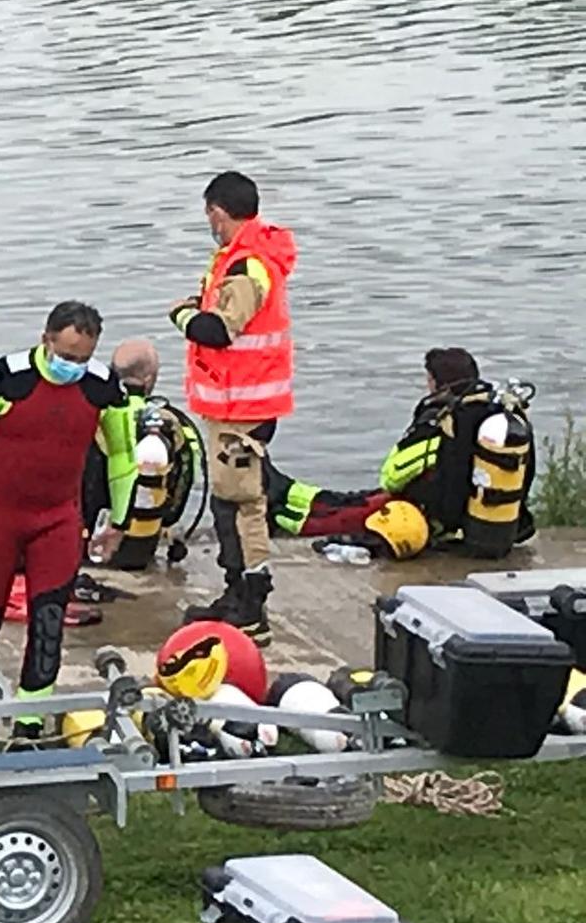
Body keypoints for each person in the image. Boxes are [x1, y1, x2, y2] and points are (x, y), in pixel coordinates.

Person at [0, 301, 136, 730]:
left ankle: (28, 726)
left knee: (48, 625)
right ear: (46, 340)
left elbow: (123, 457)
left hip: (57, 520)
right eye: (66, 356)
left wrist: (119, 522)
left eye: (83, 358)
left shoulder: (102, 387)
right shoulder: (4, 378)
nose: (73, 367)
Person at [171, 170, 298, 646]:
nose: (210, 223)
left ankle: (250, 607)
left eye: (210, 215)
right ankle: (235, 595)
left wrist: (182, 315)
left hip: (244, 406)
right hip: (238, 403)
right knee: (230, 502)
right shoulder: (244, 258)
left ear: (218, 212)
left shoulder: (248, 267)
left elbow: (221, 329)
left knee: (242, 505)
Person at [264, 347, 536, 557]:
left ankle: (280, 510)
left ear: (437, 383)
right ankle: (284, 490)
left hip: (429, 519)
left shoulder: (444, 419)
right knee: (349, 500)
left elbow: (392, 476)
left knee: (350, 510)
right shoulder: (503, 413)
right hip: (487, 520)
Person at [81, 338, 200, 574]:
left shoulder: (95, 417)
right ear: (149, 380)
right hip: (143, 548)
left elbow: (84, 485)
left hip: (94, 547)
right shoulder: (176, 424)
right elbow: (184, 485)